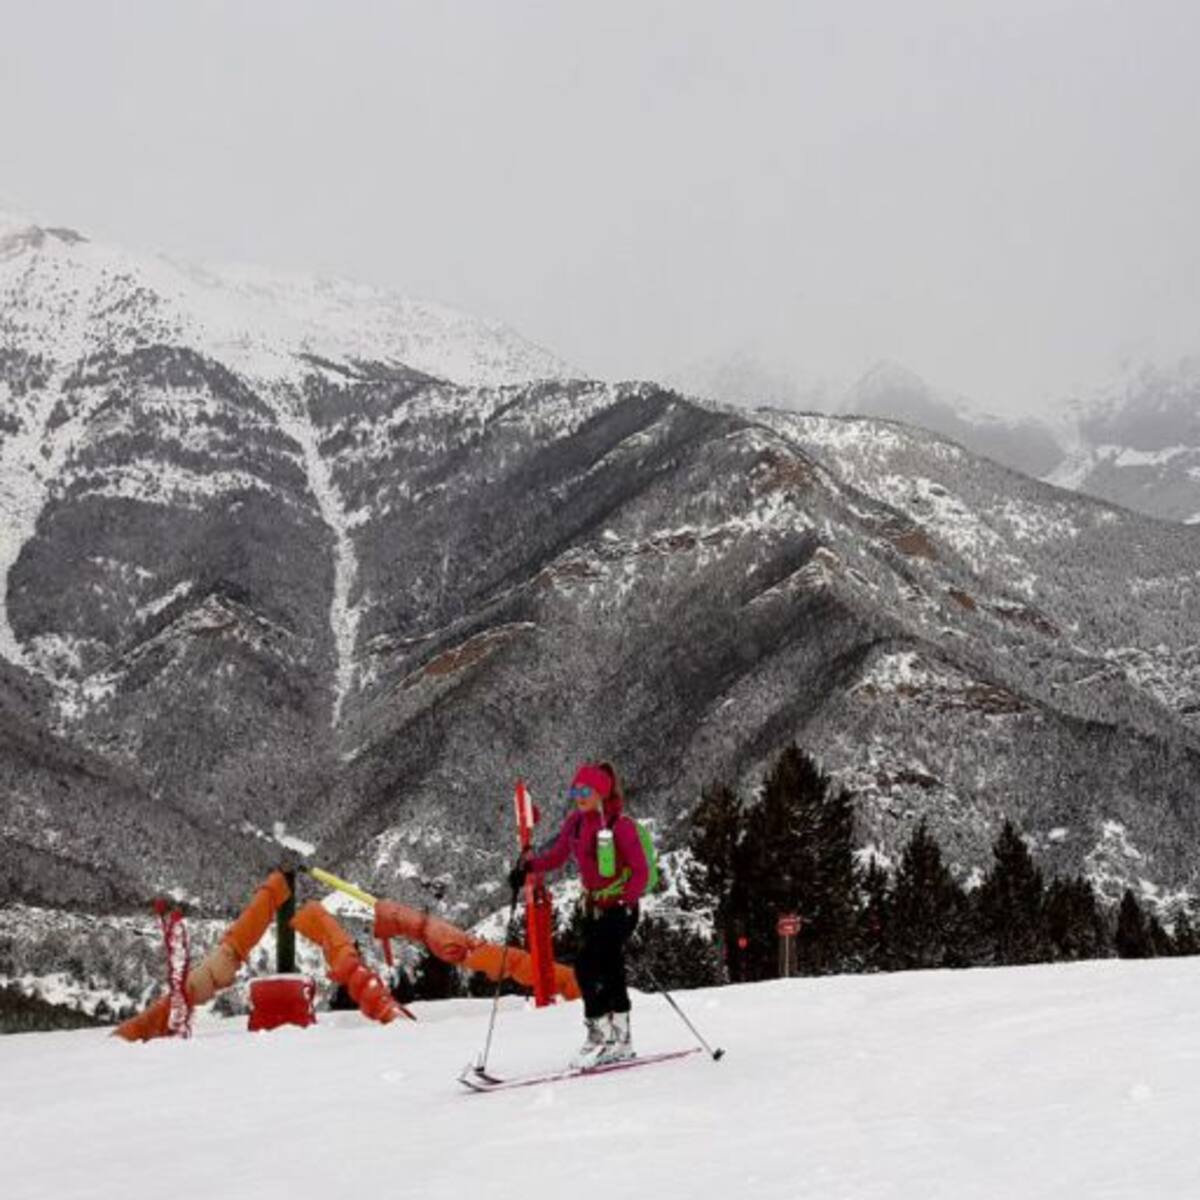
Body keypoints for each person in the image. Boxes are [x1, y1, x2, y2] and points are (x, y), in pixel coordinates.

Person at [509, 761, 649, 1068]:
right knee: (610, 969)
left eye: (586, 790)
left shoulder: (620, 826)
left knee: (586, 965)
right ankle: (621, 1040)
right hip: (595, 908)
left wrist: (626, 901)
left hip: (621, 909)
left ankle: (599, 1036)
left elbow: (641, 870)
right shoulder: (575, 822)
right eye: (576, 789)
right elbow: (558, 856)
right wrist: (528, 869)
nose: (579, 795)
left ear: (601, 792)